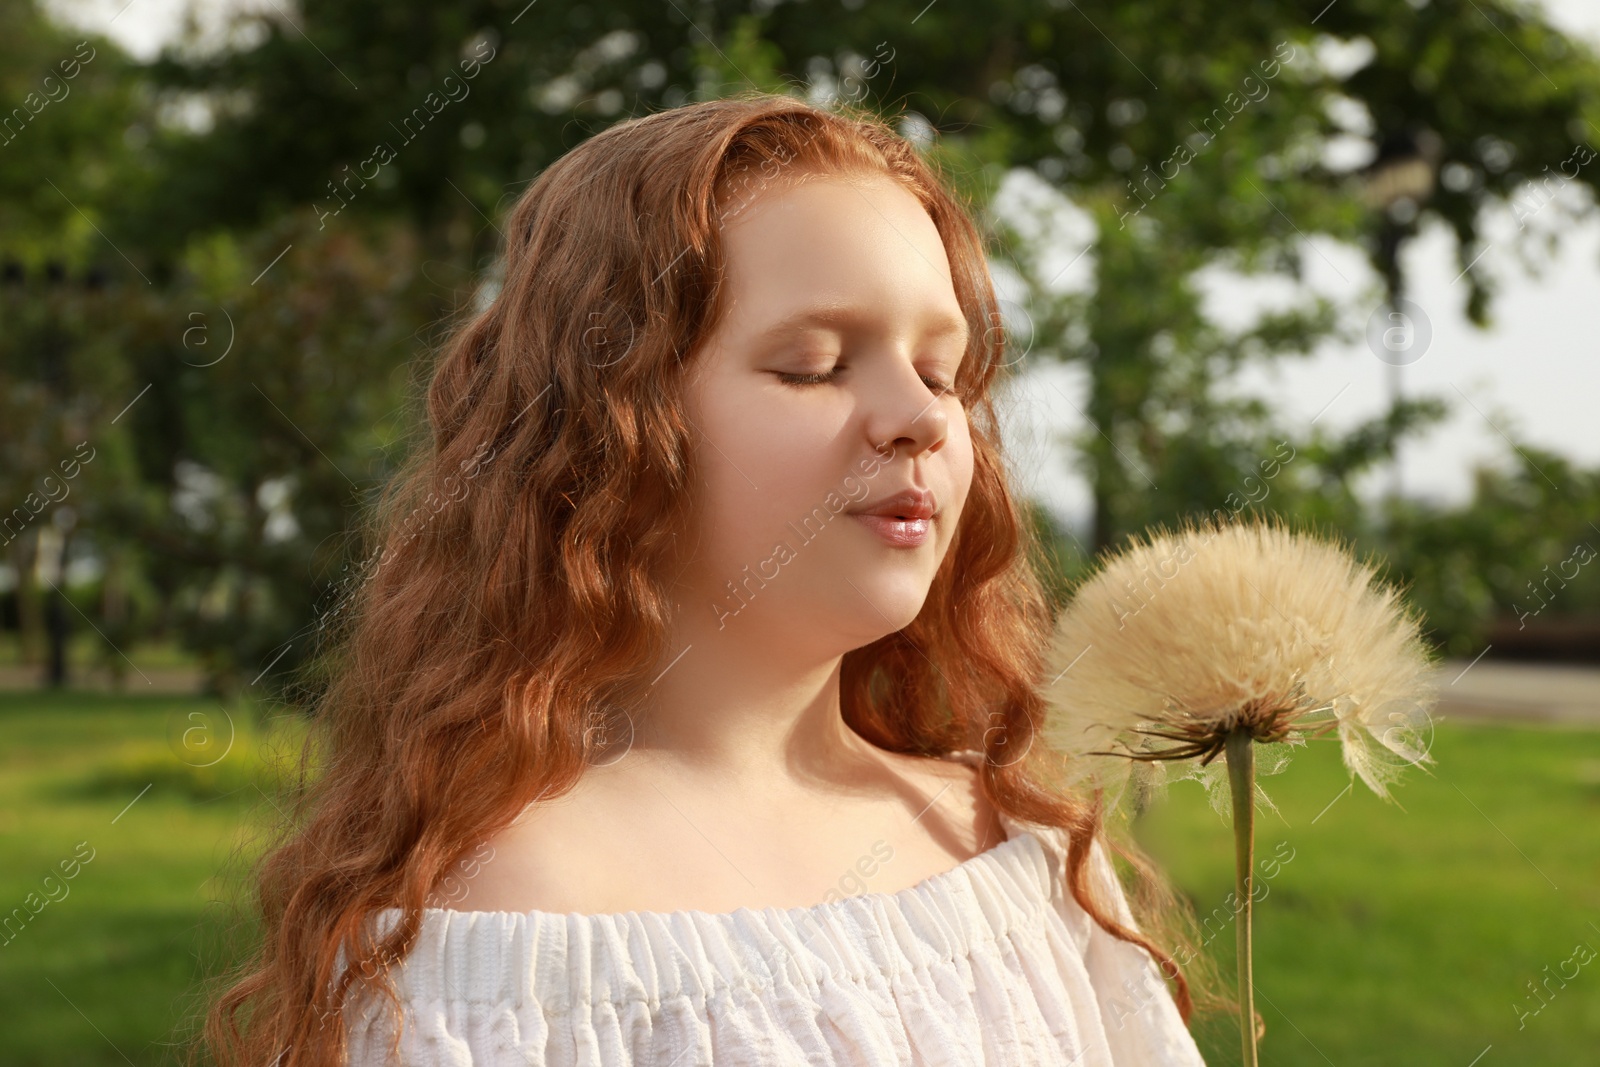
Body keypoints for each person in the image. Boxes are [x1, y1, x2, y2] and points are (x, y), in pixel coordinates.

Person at [200, 92, 1209, 1067]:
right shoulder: (518, 922)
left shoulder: (1015, 851)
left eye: (942, 370)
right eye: (814, 363)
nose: (920, 414)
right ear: (609, 430)